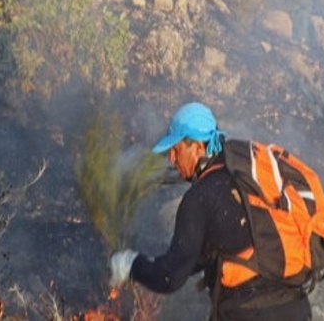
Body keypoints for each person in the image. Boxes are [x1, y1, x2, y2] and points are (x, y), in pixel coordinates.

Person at [109, 102, 312, 321]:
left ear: (197, 147)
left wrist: (131, 265)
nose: (171, 159)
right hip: (297, 310)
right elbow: (201, 258)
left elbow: (171, 277)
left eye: (176, 150)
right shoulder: (244, 184)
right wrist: (159, 264)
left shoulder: (200, 197)